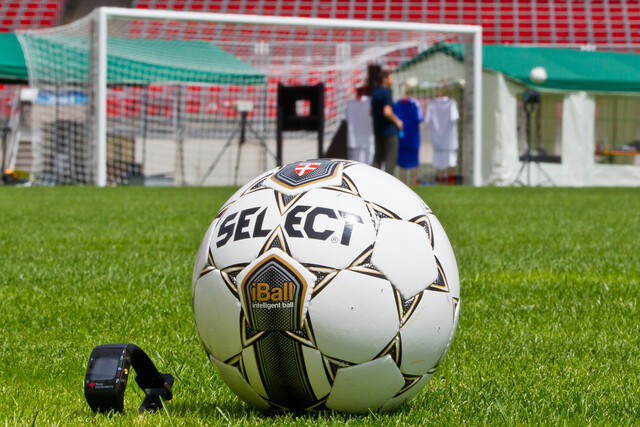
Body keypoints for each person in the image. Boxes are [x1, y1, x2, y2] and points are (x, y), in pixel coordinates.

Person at [426, 83, 459, 185]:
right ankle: (444, 182)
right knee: (444, 162)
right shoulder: (433, 105)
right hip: (444, 141)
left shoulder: (451, 103)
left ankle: (447, 182)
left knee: (447, 162)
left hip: (447, 140)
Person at [370, 71, 403, 174]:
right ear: (385, 79)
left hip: (378, 130)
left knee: (377, 159)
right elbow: (387, 112)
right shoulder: (386, 93)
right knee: (390, 159)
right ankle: (389, 184)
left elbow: (371, 112)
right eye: (391, 78)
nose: (392, 81)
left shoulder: (375, 93)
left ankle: (373, 181)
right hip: (389, 132)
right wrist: (397, 121)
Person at [394, 80, 424, 185]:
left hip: (412, 140)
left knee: (413, 165)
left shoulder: (415, 104)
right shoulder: (396, 104)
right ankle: (403, 185)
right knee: (401, 166)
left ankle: (413, 184)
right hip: (402, 140)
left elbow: (420, 118)